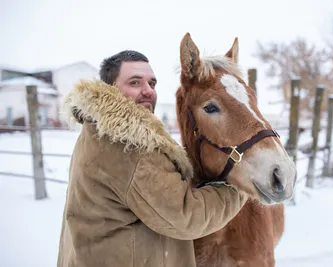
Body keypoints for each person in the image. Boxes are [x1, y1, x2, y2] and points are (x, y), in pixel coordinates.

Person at [57, 50, 248, 267]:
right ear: (109, 89)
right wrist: (239, 187)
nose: (148, 91)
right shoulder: (130, 148)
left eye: (152, 83)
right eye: (135, 82)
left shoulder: (96, 130)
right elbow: (186, 216)